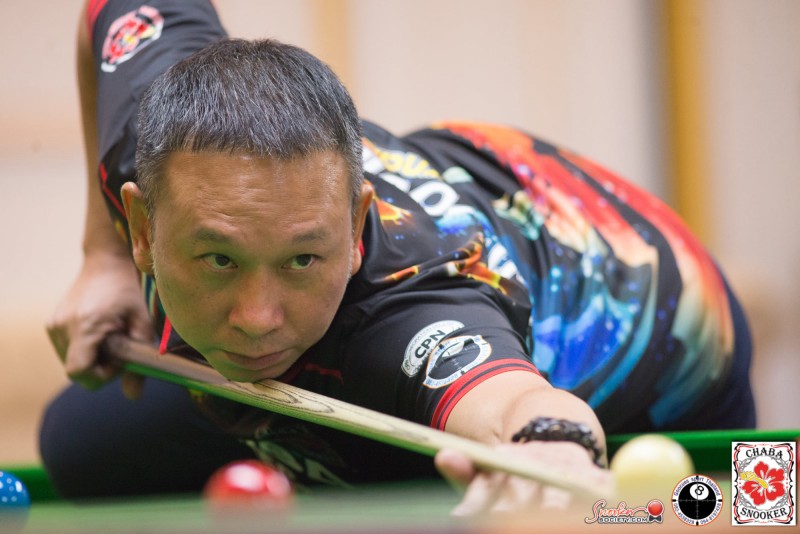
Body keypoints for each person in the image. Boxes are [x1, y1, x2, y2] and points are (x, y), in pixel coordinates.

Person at [41, 0, 755, 515]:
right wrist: (103, 258)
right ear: (142, 222)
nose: (257, 318)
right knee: (77, 444)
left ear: (355, 228)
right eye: (219, 260)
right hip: (484, 184)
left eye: (301, 260)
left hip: (662, 333)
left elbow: (516, 403)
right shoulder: (154, 133)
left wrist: (550, 445)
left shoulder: (409, 315)